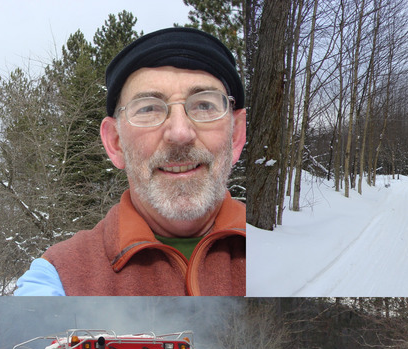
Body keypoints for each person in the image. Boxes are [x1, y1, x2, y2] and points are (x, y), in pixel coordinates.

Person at [15, 27, 247, 296]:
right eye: (149, 108)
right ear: (115, 143)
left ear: (236, 135)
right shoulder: (59, 277)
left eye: (204, 105)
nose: (180, 133)